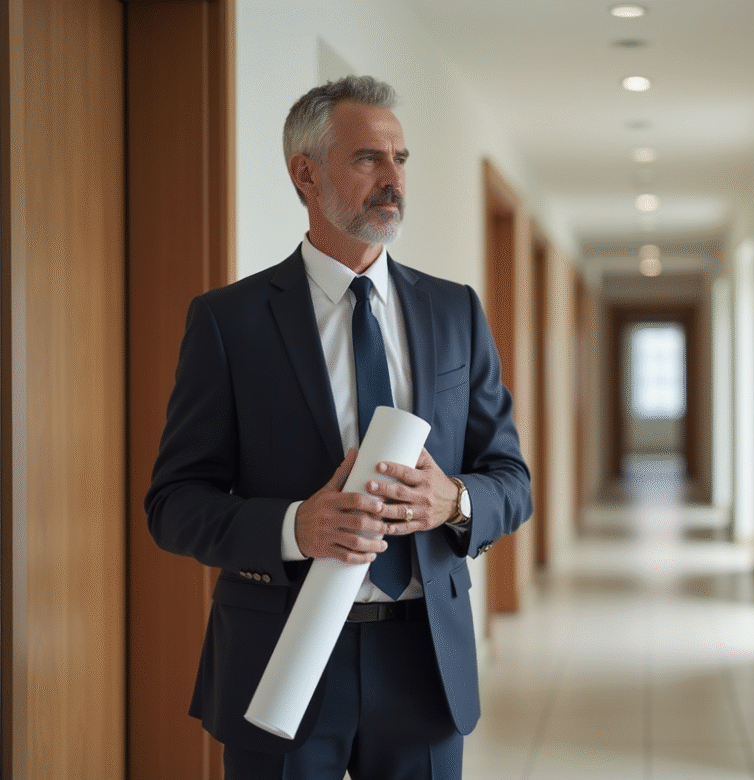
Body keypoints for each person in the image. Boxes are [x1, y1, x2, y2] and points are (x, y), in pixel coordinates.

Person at [145, 75, 532, 780]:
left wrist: (454, 502)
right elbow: (173, 507)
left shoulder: (455, 313)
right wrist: (296, 527)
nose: (394, 180)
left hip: (425, 664)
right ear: (306, 174)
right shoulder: (228, 322)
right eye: (368, 160)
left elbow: (512, 479)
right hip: (281, 659)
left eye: (401, 160)